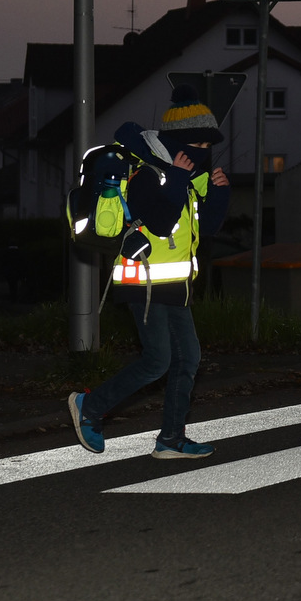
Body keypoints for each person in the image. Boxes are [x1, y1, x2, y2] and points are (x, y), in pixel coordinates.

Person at [69, 85, 231, 460]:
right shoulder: (148, 173)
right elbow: (158, 223)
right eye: (199, 146)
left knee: (187, 359)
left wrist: (219, 193)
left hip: (173, 285)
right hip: (142, 283)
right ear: (179, 143)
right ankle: (89, 407)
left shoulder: (184, 176)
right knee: (158, 361)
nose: (204, 154)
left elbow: (205, 229)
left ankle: (171, 440)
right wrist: (175, 178)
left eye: (208, 148)